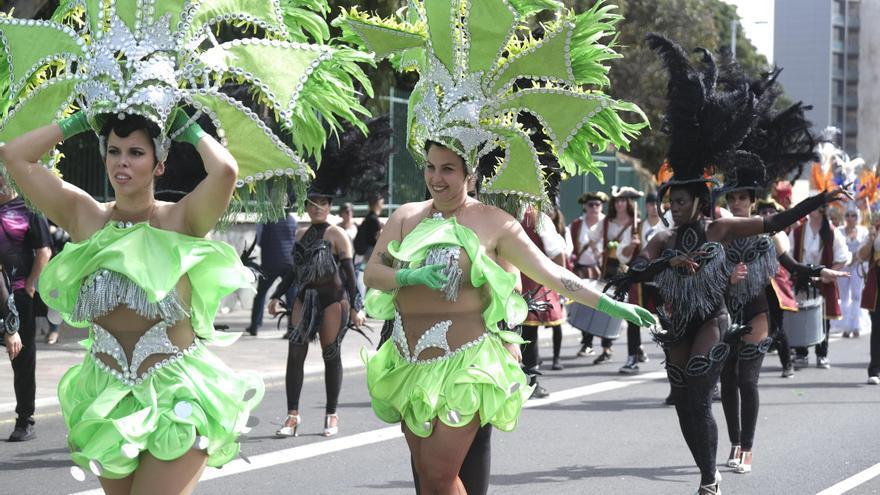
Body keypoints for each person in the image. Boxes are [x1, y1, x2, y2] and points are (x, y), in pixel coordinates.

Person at [0, 1, 371, 491]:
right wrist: (81, 120)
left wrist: (185, 125)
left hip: (177, 394)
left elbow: (226, 171)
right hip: (109, 396)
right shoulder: (86, 216)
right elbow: (14, 156)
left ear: (158, 164)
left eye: (136, 153)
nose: (121, 163)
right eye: (113, 151)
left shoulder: (180, 220)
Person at [340, 2, 652, 492]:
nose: (437, 178)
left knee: (442, 475)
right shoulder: (405, 217)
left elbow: (553, 275)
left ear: (470, 173)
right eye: (431, 167)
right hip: (408, 361)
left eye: (449, 169)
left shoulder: (496, 223)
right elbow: (373, 275)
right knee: (426, 480)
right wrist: (409, 276)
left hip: (468, 365)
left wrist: (610, 302)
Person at [607, 34, 849, 494]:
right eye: (670, 201)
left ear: (699, 200)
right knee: (685, 402)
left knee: (701, 383)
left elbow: (775, 220)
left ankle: (708, 477)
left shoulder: (723, 229)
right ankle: (709, 467)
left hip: (716, 320)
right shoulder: (663, 237)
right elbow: (635, 269)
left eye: (681, 201)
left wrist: (818, 198)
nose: (674, 207)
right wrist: (664, 262)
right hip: (678, 323)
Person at [268, 189, 365, 439]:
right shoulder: (300, 234)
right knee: (295, 352)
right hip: (304, 299)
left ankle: (331, 413)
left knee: (330, 354)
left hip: (333, 301)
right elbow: (293, 271)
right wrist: (277, 294)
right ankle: (292, 415)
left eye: (321, 203)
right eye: (311, 204)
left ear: (329, 206)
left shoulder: (337, 234)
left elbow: (351, 275)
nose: (316, 208)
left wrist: (357, 306)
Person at [0, 176, 52, 442]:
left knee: (22, 360)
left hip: (19, 297)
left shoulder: (29, 209)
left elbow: (44, 251)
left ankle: (24, 420)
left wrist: (30, 286)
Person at [789, 206, 851, 368]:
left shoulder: (832, 231)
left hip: (824, 281)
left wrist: (829, 274)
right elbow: (788, 254)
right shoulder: (799, 231)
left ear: (822, 210)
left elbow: (843, 257)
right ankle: (801, 353)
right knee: (800, 316)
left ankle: (822, 354)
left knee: (824, 319)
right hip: (802, 280)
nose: (811, 209)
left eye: (815, 206)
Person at [518, 206, 567, 399]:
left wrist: (561, 282)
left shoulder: (537, 218)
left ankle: (531, 380)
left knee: (528, 333)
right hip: (503, 282)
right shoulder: (494, 211)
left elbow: (556, 253)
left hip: (530, 284)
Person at [594, 186, 642, 366]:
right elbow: (592, 237)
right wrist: (597, 252)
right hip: (610, 269)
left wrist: (636, 244)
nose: (620, 203)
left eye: (623, 200)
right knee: (607, 306)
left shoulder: (636, 222)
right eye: (617, 200)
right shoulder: (607, 222)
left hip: (630, 269)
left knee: (630, 307)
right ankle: (606, 348)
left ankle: (636, 348)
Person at [620, 191, 666, 374]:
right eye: (651, 204)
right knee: (633, 318)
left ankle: (676, 355)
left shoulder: (667, 227)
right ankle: (632, 357)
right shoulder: (636, 227)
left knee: (667, 320)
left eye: (657, 204)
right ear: (646, 206)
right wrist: (632, 246)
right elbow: (621, 256)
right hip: (640, 279)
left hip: (662, 279)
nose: (654, 207)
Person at [568, 191, 607, 357]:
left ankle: (607, 345)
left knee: (605, 308)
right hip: (582, 271)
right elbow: (569, 248)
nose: (594, 208)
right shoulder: (577, 224)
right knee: (584, 307)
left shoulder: (607, 223)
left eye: (597, 204)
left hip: (602, 271)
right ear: (585, 206)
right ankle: (587, 343)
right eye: (591, 205)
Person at [245, 215, 297, 336]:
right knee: (291, 297)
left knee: (261, 294)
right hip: (289, 263)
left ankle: (255, 326)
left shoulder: (264, 219)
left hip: (270, 263)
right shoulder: (292, 220)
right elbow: (294, 239)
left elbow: (258, 240)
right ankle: (292, 328)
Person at [833, 206, 868, 338]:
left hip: (857, 267)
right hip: (843, 267)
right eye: (848, 215)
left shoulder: (863, 231)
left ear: (857, 217)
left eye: (853, 215)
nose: (850, 218)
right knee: (844, 297)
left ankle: (856, 325)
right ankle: (846, 327)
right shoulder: (839, 230)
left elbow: (865, 247)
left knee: (856, 296)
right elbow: (837, 247)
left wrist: (856, 259)